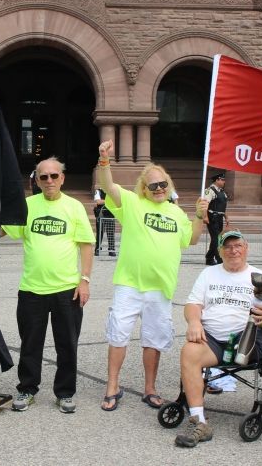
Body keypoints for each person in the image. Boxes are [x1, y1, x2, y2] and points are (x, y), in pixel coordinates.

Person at [96, 140, 207, 411]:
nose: (159, 189)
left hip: (160, 288)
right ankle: (112, 387)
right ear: (144, 188)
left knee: (154, 340)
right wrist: (104, 160)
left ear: (169, 186)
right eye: (153, 185)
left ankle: (150, 388)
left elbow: (191, 240)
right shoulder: (133, 203)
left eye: (163, 184)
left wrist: (200, 217)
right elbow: (109, 187)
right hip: (129, 284)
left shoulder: (176, 212)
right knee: (118, 335)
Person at [174, 230, 262, 447]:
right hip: (213, 339)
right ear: (220, 251)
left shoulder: (261, 276)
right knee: (188, 351)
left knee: (246, 343)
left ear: (246, 248)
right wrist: (194, 322)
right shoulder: (209, 274)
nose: (233, 251)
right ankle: (200, 421)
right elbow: (193, 304)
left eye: (238, 246)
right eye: (228, 247)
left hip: (247, 340)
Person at [3, 157, 95, 414]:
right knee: (30, 344)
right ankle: (27, 388)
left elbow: (87, 245)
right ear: (37, 180)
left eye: (54, 176)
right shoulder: (27, 205)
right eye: (44, 177)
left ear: (63, 178)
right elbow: (4, 230)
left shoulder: (74, 207)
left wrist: (84, 280)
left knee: (67, 344)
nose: (50, 180)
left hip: (67, 289)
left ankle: (65, 393)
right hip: (32, 289)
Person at [203, 173, 229, 266]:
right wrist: (205, 216)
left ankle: (209, 258)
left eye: (224, 180)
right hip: (212, 216)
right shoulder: (210, 190)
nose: (224, 181)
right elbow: (205, 203)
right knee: (216, 238)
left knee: (217, 238)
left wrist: (226, 217)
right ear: (217, 180)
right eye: (222, 179)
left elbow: (222, 205)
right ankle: (219, 259)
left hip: (219, 217)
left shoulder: (222, 191)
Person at [93, 187, 116, 257]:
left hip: (110, 214)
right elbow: (98, 201)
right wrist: (109, 201)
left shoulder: (112, 190)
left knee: (111, 233)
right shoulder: (98, 191)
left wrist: (104, 201)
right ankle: (97, 249)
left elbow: (116, 200)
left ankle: (111, 250)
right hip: (101, 215)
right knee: (100, 233)